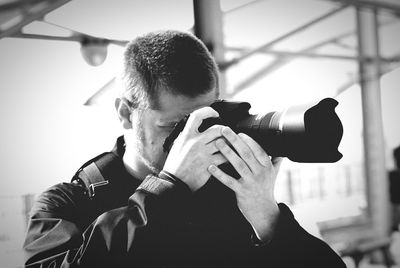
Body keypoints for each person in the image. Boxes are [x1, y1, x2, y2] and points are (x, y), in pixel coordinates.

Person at [23, 30, 345, 267]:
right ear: (125, 113)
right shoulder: (67, 205)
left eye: (203, 122)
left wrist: (270, 223)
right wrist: (166, 190)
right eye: (175, 127)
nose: (192, 141)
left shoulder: (229, 196)